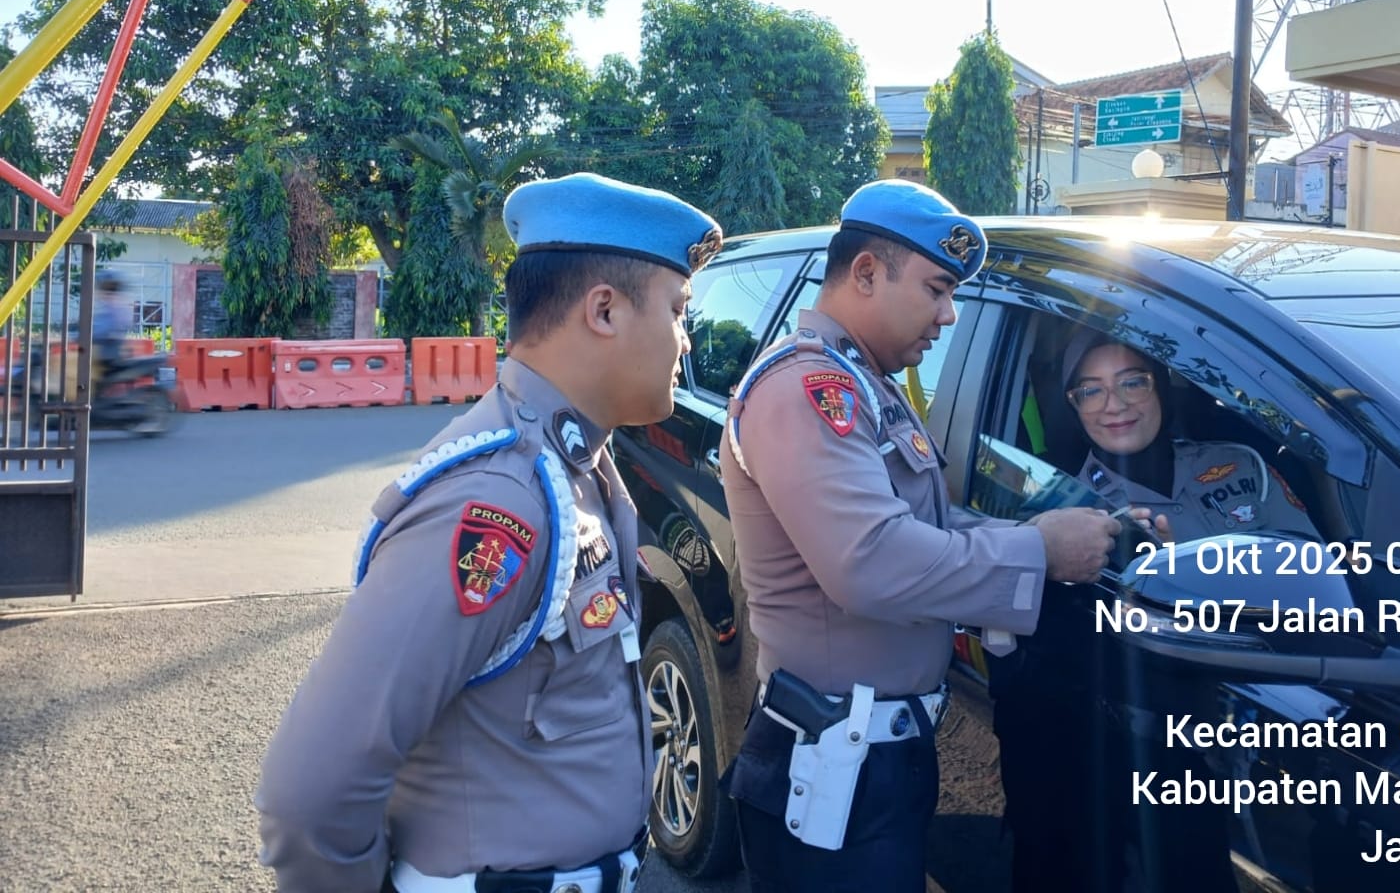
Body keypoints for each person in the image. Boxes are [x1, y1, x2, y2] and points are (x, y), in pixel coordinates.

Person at [255, 173, 723, 893]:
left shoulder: (573, 464)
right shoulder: (497, 501)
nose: (684, 340)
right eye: (677, 309)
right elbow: (311, 791)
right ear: (604, 310)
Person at [719, 179, 1127, 893]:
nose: (948, 316)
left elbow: (925, 526)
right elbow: (870, 562)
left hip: (871, 756)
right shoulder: (812, 390)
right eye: (937, 290)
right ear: (868, 272)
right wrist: (1039, 552)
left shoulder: (867, 385)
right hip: (833, 767)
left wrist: (1043, 532)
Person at [991, 333, 1315, 893]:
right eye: (1089, 391)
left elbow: (1316, 575)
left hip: (1266, 719)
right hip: (1132, 742)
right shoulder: (1056, 502)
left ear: (1161, 384)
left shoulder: (1240, 466)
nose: (1114, 405)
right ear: (1070, 405)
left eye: (1132, 381)